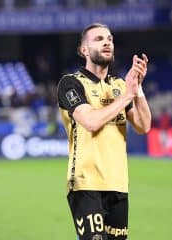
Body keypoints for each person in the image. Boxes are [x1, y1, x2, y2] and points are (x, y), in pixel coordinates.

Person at [57, 23, 152, 240]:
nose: (107, 42)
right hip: (85, 183)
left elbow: (143, 125)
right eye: (98, 39)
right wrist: (127, 95)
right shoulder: (71, 83)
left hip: (118, 184)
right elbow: (90, 121)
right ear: (84, 50)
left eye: (109, 38)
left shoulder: (119, 85)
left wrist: (136, 89)